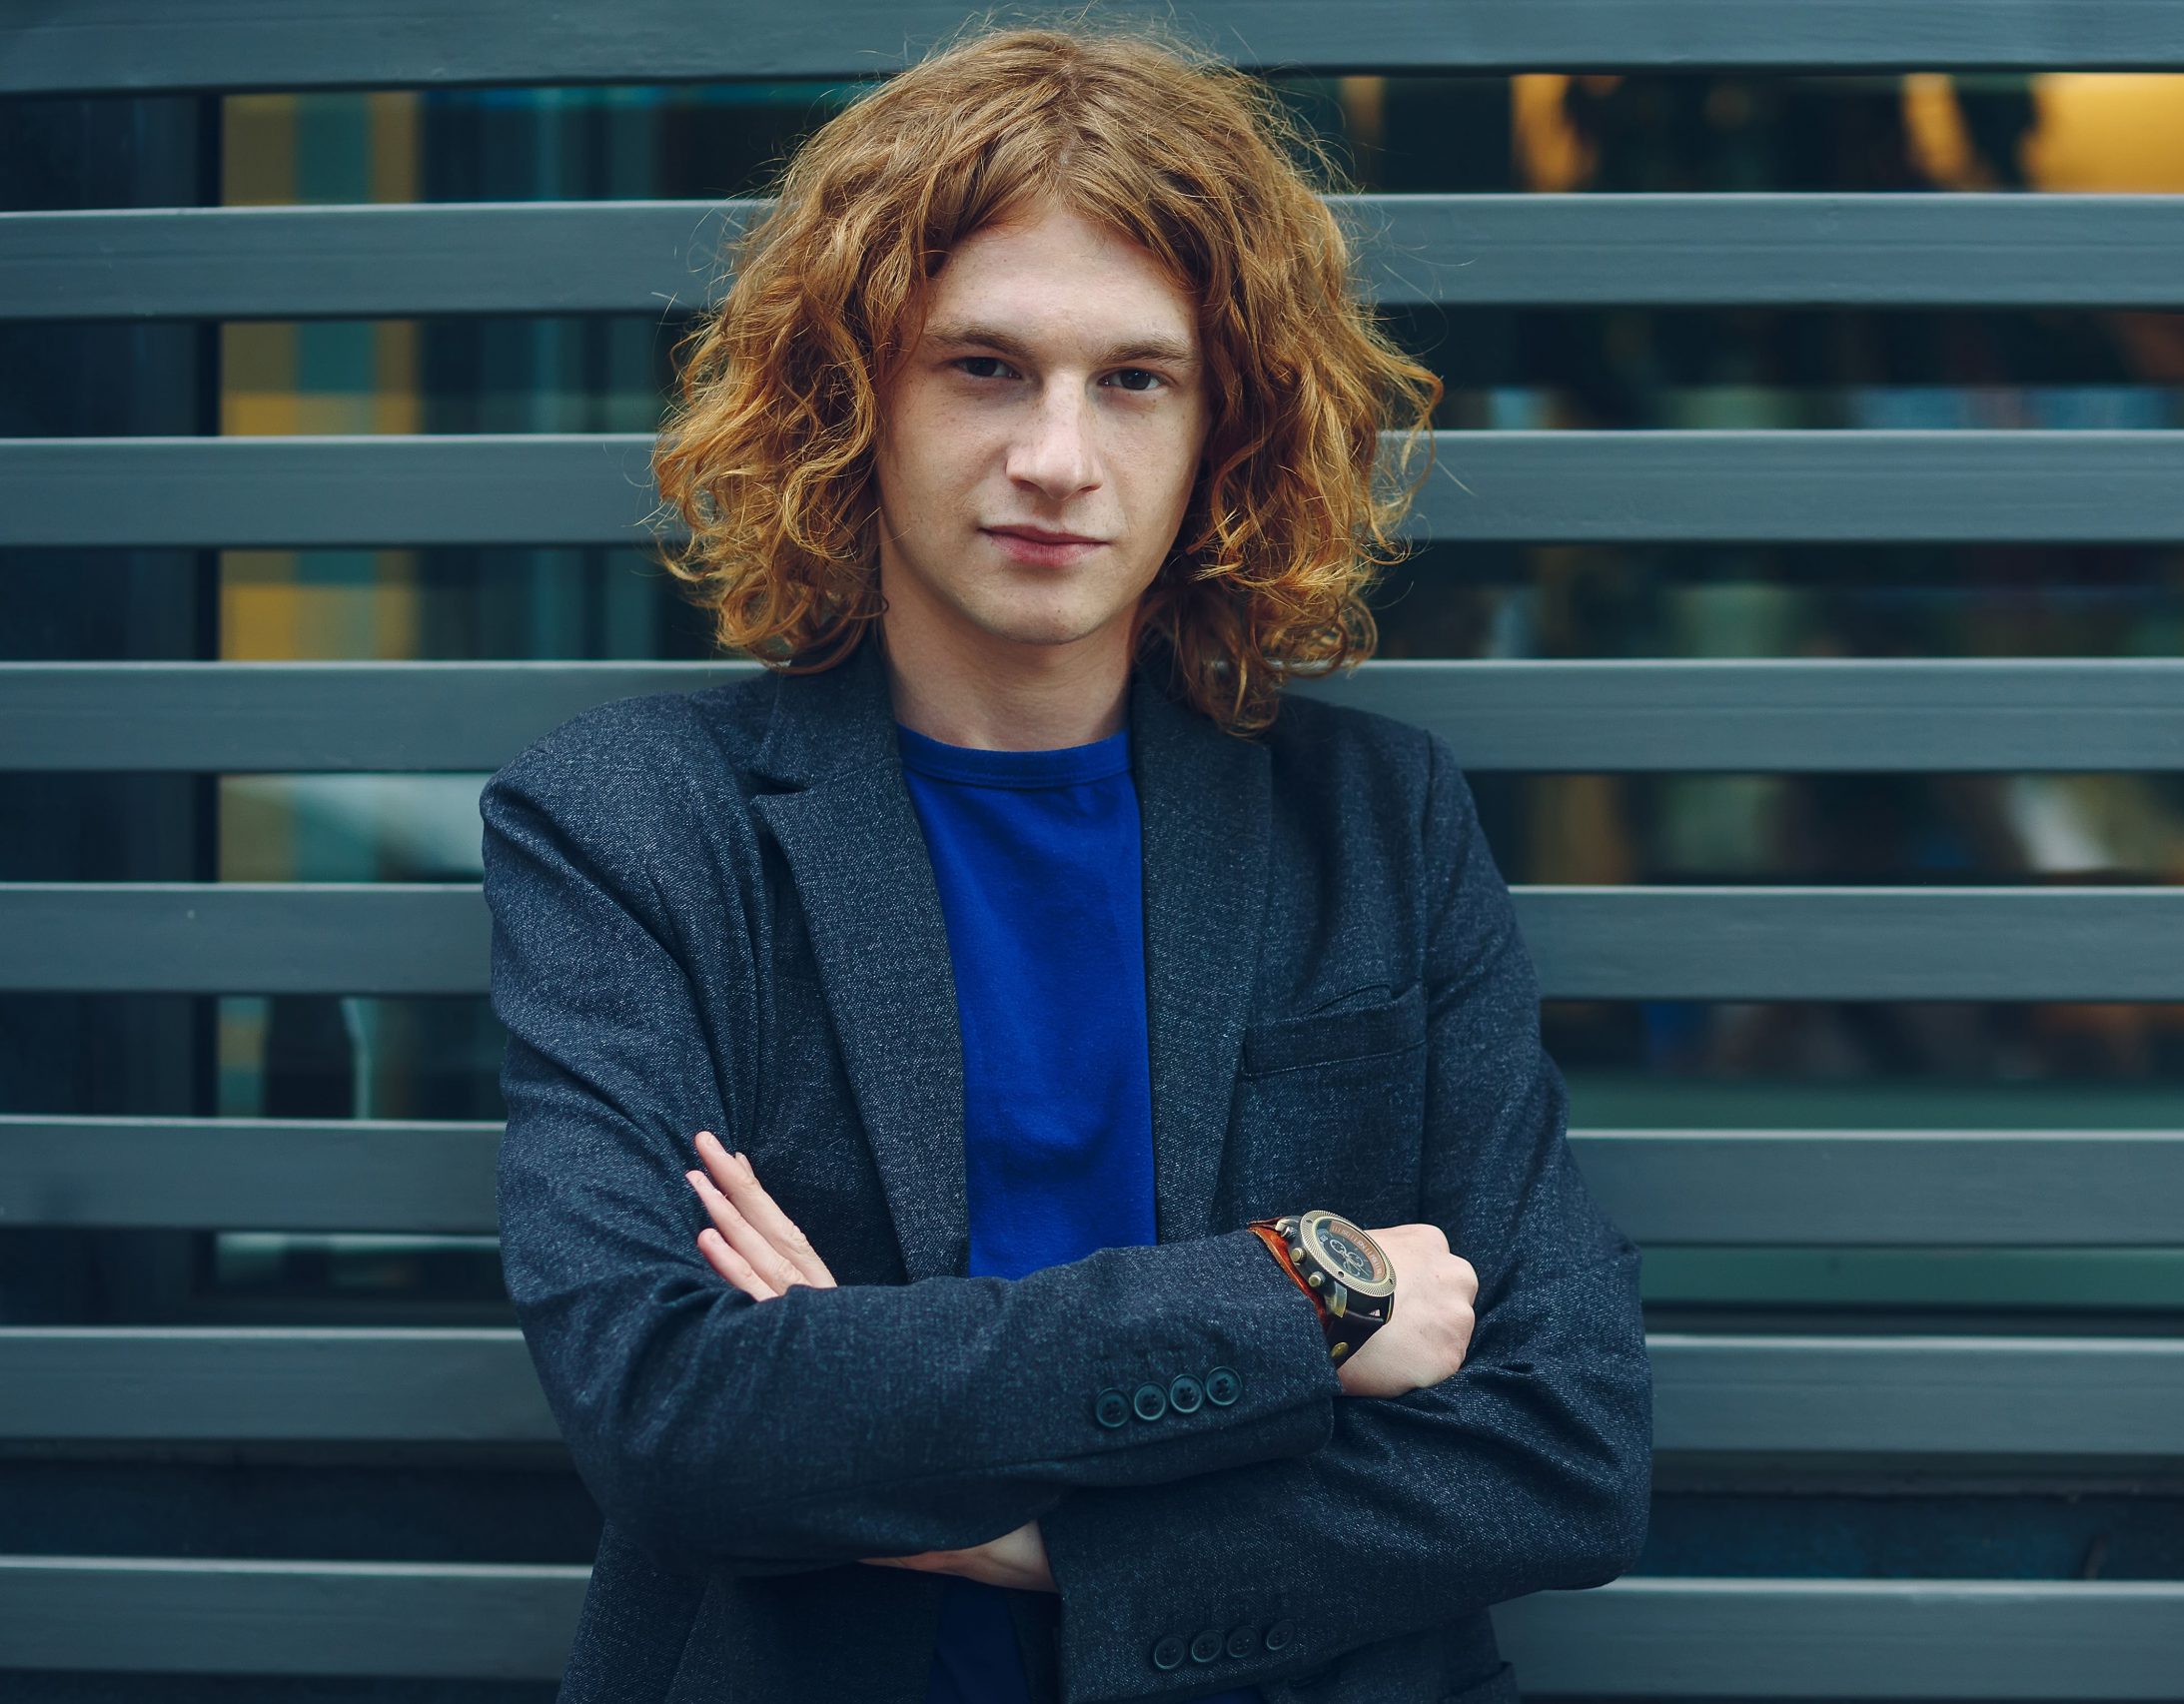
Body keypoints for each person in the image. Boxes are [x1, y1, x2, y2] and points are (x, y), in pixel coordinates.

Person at [478, 18, 1651, 1704]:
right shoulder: (632, 822)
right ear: (849, 394)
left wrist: (1008, 1528)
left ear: (1223, 428)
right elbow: (673, 1413)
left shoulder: (1377, 823)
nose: (1056, 459)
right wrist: (1302, 1296)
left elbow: (1567, 1443)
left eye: (1135, 378)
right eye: (982, 366)